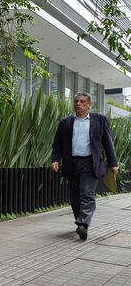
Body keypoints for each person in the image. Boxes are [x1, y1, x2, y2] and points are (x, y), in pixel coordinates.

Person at [51, 92, 118, 241]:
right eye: (76, 101)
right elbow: (58, 144)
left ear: (89, 105)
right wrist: (55, 159)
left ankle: (83, 224)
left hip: (90, 162)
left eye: (82, 102)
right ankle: (81, 222)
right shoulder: (65, 122)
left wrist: (113, 163)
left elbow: (108, 143)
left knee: (87, 194)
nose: (78, 104)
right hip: (72, 163)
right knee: (74, 196)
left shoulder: (99, 120)